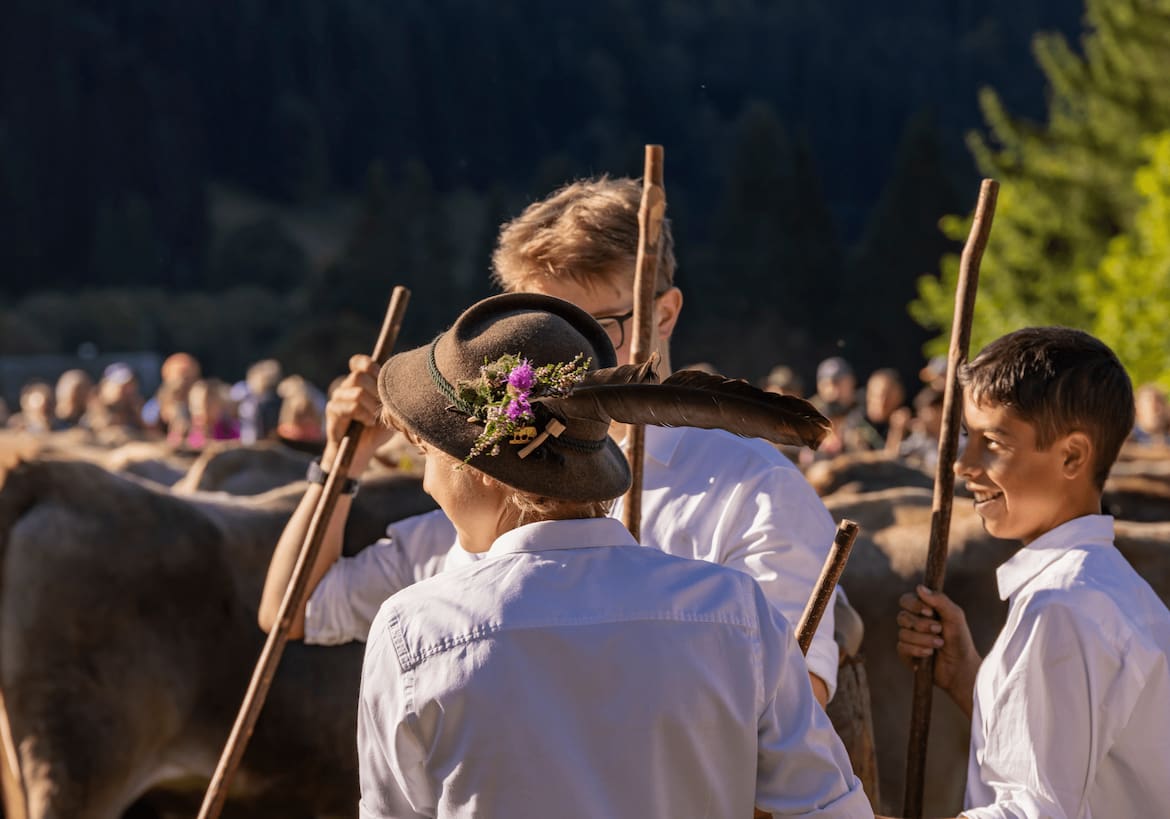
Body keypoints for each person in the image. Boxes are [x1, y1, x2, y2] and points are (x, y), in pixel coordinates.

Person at [260, 176, 843, 706]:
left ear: (662, 315)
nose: (565, 362)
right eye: (540, 333)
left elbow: (797, 700)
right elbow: (297, 611)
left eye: (595, 329)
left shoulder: (754, 490)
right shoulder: (487, 489)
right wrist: (342, 464)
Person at [355, 292, 871, 818]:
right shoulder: (735, 611)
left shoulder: (416, 634)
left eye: (429, 453)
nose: (425, 481)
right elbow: (830, 809)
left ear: (485, 467)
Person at [894, 327, 1170, 818]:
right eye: (965, 438)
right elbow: (1074, 761)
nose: (963, 464)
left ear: (1072, 456)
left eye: (992, 443)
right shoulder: (1098, 586)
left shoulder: (1064, 607)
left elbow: (1034, 811)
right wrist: (969, 681)